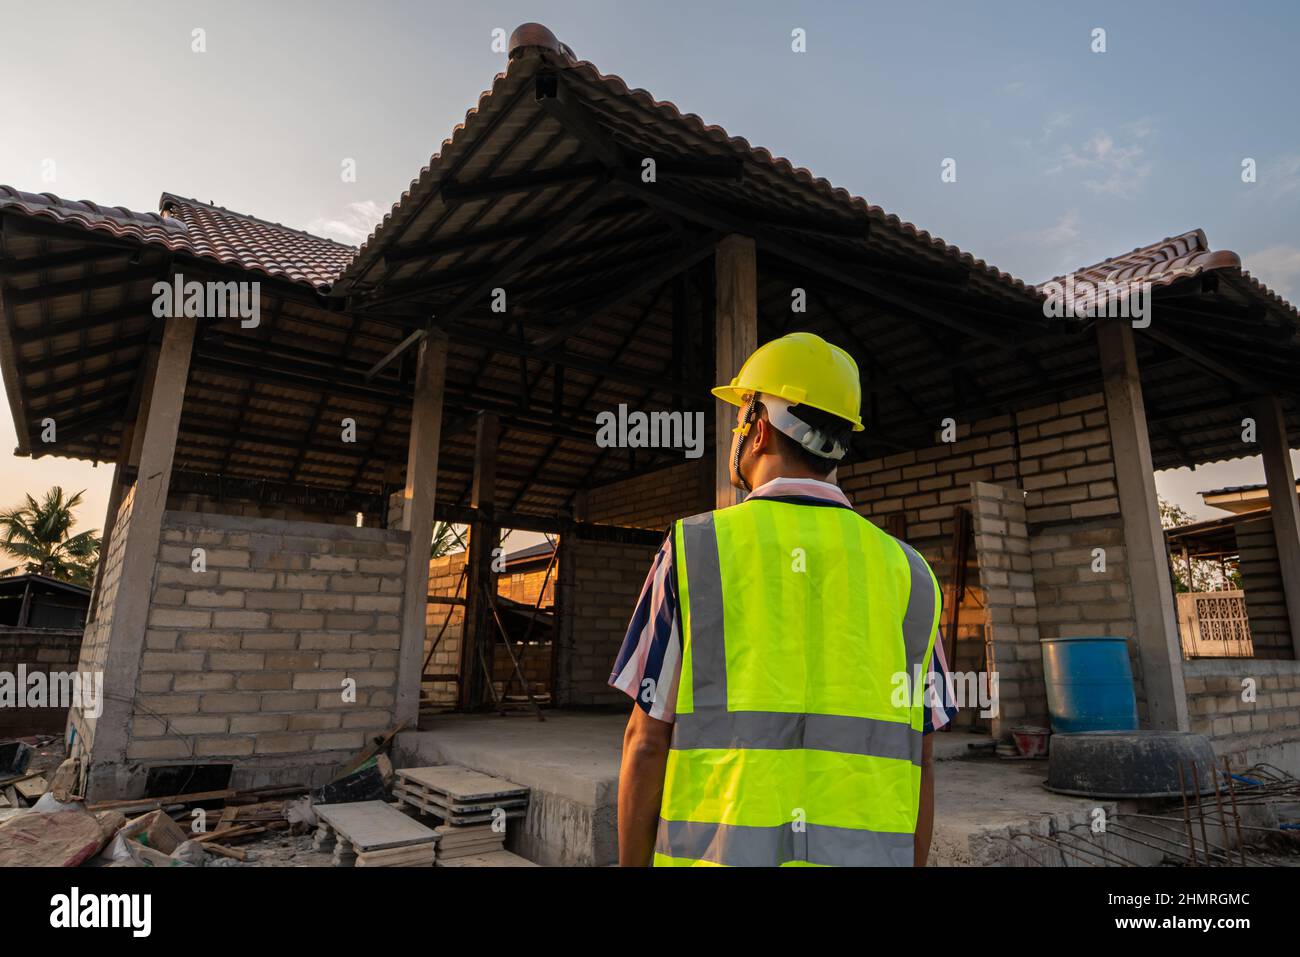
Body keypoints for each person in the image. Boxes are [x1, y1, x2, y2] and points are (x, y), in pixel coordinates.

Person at [609, 331, 957, 866]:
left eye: (740, 416)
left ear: (760, 427)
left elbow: (646, 742)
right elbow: (922, 760)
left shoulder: (695, 548)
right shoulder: (911, 573)